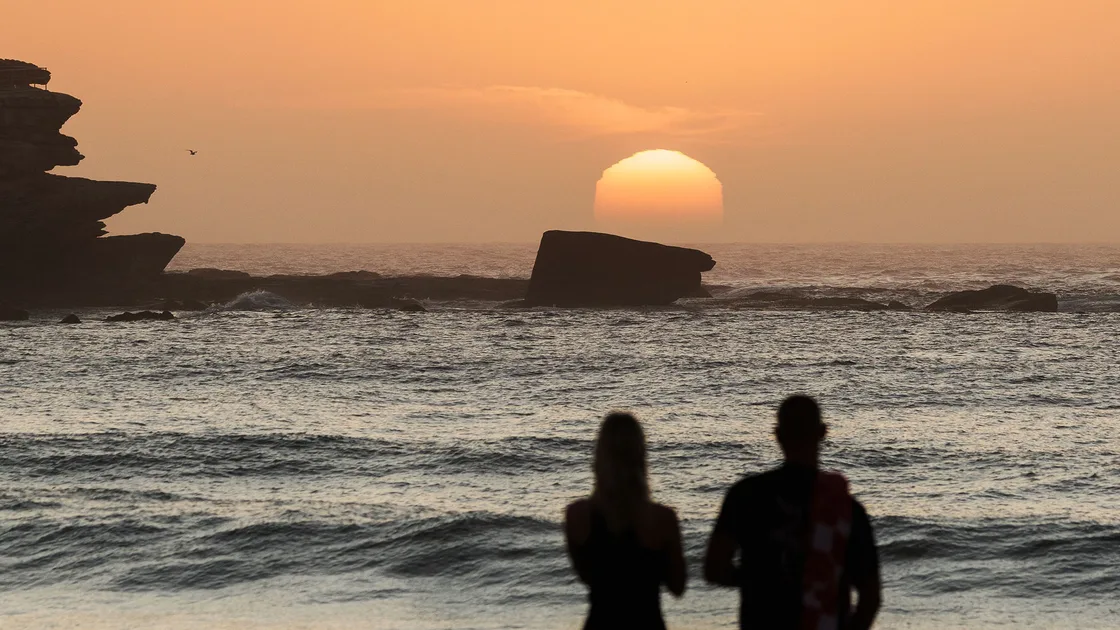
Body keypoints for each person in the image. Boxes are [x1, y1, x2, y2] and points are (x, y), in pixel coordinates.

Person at [703, 395, 881, 630]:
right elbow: (870, 597)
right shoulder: (846, 508)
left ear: (777, 435)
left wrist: (757, 580)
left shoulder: (746, 494)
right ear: (823, 433)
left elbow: (714, 568)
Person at [565, 412, 687, 629]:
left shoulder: (576, 515)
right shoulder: (662, 518)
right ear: (640, 454)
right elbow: (677, 587)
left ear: (599, 455)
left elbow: (586, 576)